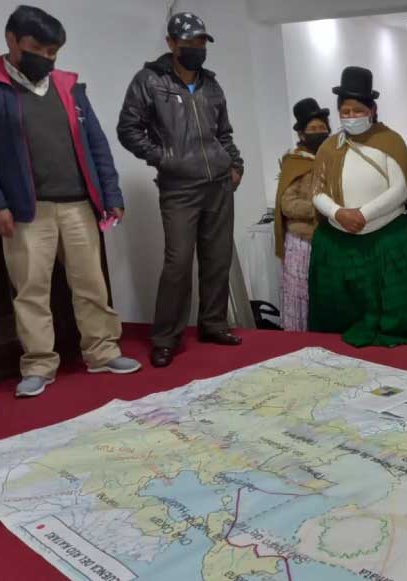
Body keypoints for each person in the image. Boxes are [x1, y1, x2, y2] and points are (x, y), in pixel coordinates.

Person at [0, 5, 141, 398]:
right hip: (26, 210)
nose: (46, 58)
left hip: (78, 205)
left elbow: (97, 144)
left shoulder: (68, 87)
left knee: (91, 284)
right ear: (12, 40)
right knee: (31, 290)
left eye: (53, 51)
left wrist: (111, 194)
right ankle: (39, 364)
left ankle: (102, 351)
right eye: (37, 49)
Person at [117, 12, 244, 368]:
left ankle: (214, 324)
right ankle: (165, 338)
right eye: (189, 42)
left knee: (217, 258)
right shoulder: (149, 81)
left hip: (218, 184)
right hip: (179, 188)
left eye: (201, 42)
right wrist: (165, 158)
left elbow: (223, 133)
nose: (196, 48)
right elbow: (128, 129)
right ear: (172, 43)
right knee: (178, 263)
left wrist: (235, 164)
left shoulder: (211, 84)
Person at [309, 66, 407, 346]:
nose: (351, 116)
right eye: (345, 111)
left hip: (388, 235)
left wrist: (364, 214)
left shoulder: (390, 142)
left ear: (372, 109)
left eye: (358, 110)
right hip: (341, 236)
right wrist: (339, 213)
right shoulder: (329, 148)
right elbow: (317, 191)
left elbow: (400, 189)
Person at [274, 98, 330, 332]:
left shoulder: (333, 158)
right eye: (312, 129)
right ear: (302, 134)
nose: (319, 133)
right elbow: (287, 204)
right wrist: (322, 209)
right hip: (303, 242)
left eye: (322, 128)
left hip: (330, 239)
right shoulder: (295, 163)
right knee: (303, 298)